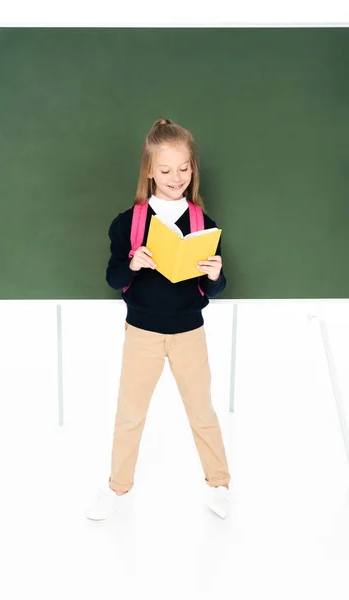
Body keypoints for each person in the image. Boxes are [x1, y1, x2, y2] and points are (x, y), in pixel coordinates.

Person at [86, 118, 231, 521]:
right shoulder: (127, 223)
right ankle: (117, 487)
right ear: (149, 170)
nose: (176, 177)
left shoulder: (205, 224)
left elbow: (214, 289)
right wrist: (133, 263)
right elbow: (114, 278)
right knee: (130, 413)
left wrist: (216, 275)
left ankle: (219, 484)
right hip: (143, 333)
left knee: (202, 411)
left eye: (184, 169)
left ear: (193, 168)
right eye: (165, 170)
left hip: (189, 333)